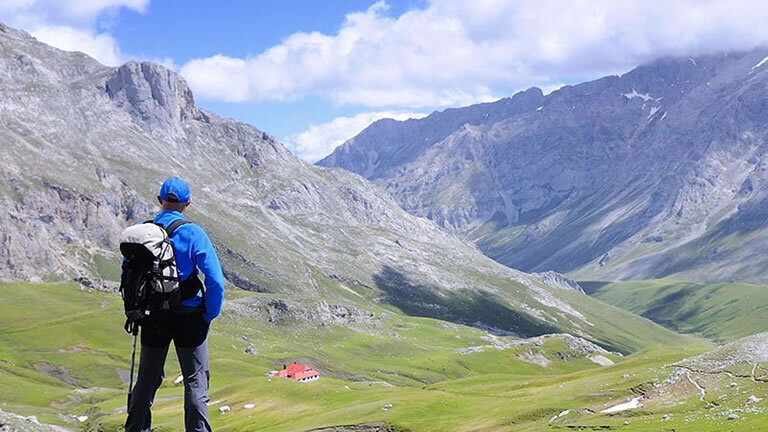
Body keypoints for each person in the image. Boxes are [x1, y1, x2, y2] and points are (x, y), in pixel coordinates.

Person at [125, 177, 225, 432]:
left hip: (153, 316)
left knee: (146, 379)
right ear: (187, 203)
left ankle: (135, 428)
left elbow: (129, 271)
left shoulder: (143, 232)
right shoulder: (193, 233)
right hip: (190, 316)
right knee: (195, 381)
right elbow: (215, 280)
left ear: (160, 201)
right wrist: (208, 314)